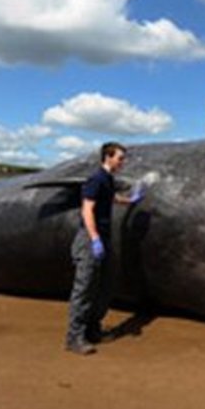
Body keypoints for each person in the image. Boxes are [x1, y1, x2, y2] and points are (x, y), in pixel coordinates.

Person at [66, 142, 144, 355]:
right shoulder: (95, 179)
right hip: (90, 239)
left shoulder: (107, 180)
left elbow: (109, 198)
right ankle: (74, 337)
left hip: (104, 239)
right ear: (108, 157)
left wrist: (129, 201)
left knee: (106, 286)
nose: (122, 162)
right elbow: (87, 210)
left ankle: (93, 329)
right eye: (120, 158)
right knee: (85, 288)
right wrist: (94, 239)